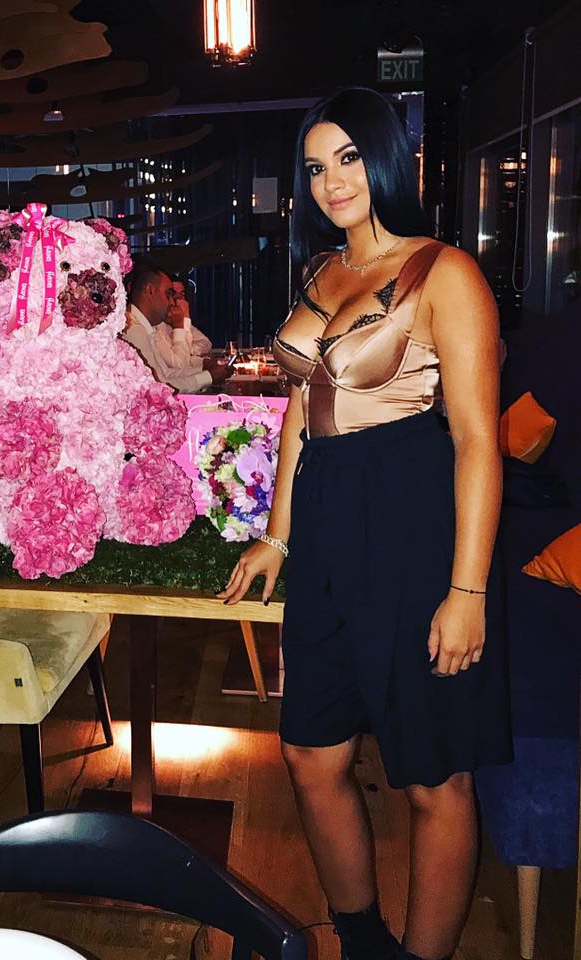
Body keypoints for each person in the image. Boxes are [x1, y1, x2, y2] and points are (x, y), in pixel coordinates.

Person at [219, 87, 511, 960]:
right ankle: (361, 941)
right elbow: (299, 414)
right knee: (311, 755)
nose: (331, 181)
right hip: (327, 529)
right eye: (315, 167)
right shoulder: (321, 272)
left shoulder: (445, 272)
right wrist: (277, 535)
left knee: (433, 776)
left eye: (348, 158)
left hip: (414, 525)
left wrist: (467, 591)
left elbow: (477, 442)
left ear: (387, 159)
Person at [123, 264, 231, 391]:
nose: (171, 302)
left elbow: (165, 374)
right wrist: (208, 376)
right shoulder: (132, 328)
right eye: (168, 295)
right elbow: (158, 386)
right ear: (150, 290)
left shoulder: (146, 326)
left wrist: (204, 369)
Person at [154, 275, 214, 370]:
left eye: (182, 294)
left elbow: (206, 343)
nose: (179, 299)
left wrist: (191, 353)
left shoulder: (174, 322)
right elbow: (180, 365)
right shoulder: (157, 325)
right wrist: (185, 316)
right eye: (173, 293)